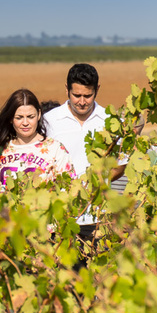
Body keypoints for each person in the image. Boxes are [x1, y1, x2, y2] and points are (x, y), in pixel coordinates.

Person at [43, 63, 114, 226]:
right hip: (59, 217)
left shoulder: (110, 121)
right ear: (66, 89)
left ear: (98, 90)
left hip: (98, 217)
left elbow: (119, 164)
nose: (82, 102)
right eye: (76, 95)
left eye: (88, 96)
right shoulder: (49, 121)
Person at [0, 89, 74, 191]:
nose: (25, 123)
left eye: (30, 117)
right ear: (11, 119)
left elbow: (70, 189)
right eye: (19, 118)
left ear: (39, 114)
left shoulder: (56, 149)